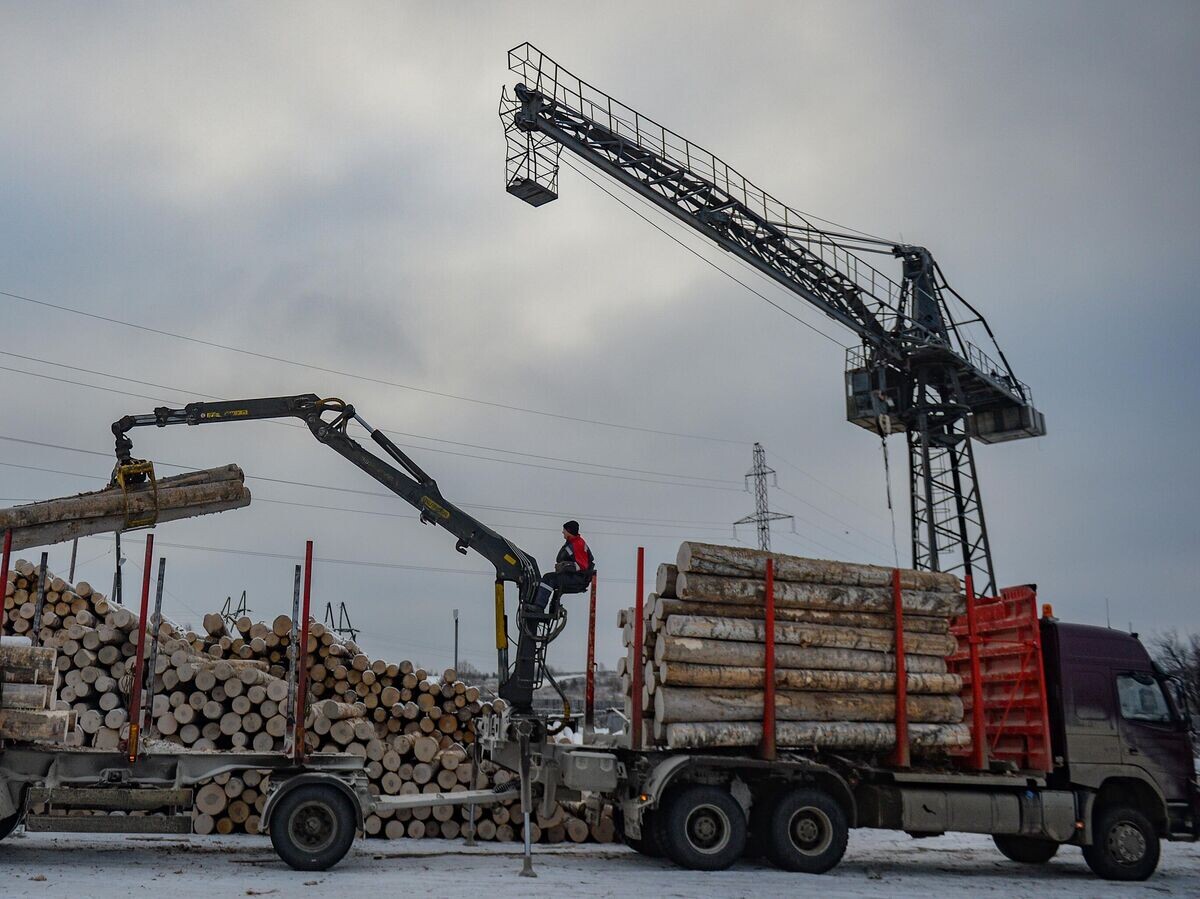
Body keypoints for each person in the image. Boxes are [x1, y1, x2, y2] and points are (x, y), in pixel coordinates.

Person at [533, 520, 595, 611]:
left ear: (569, 531)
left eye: (564, 530)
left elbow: (582, 566)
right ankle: (550, 608)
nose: (562, 532)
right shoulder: (572, 542)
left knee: (549, 579)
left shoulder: (577, 544)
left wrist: (565, 566)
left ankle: (538, 607)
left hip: (578, 578)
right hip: (575, 576)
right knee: (549, 578)